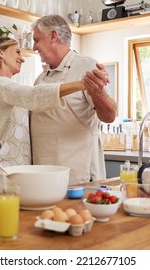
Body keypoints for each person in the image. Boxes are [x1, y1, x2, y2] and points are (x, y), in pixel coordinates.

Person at [0, 36, 105, 195]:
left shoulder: (8, 87)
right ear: (0, 52)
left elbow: (27, 110)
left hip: (22, 173)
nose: (22, 59)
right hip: (8, 173)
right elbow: (33, 96)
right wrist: (81, 84)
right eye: (17, 52)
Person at [29, 15, 117, 185]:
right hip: (43, 177)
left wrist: (98, 93)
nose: (34, 47)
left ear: (53, 36)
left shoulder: (86, 66)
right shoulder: (40, 79)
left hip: (77, 178)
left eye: (37, 40)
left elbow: (110, 115)